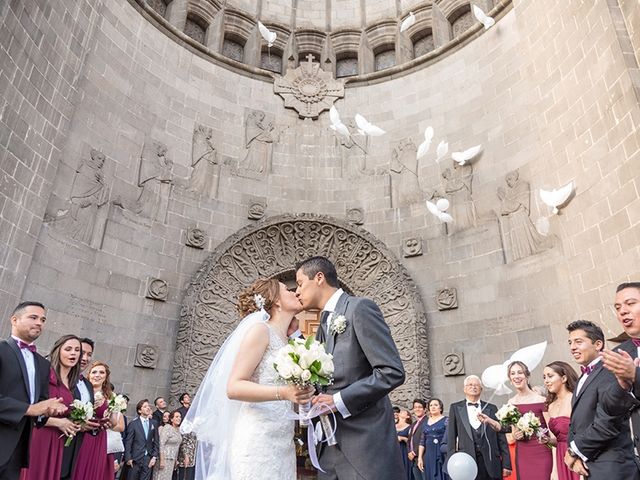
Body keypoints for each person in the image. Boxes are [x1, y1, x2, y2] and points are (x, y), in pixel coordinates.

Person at [181, 278, 314, 479]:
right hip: (257, 438)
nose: (295, 293)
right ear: (276, 301)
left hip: (283, 441)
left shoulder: (290, 341)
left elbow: (289, 394)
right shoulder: (261, 331)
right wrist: (284, 393)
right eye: (288, 289)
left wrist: (301, 396)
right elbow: (234, 387)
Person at [296, 256, 406, 479]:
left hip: (364, 447)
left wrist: (337, 402)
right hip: (328, 449)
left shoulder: (359, 308)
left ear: (319, 278)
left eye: (299, 284)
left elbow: (391, 371)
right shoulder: (320, 328)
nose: (297, 292)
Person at [564, 320, 639, 479]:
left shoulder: (611, 370)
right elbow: (576, 423)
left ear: (598, 344)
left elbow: (607, 422)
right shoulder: (582, 377)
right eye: (570, 342)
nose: (572, 347)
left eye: (578, 342)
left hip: (612, 468)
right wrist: (576, 455)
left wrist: (575, 451)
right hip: (591, 465)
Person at [0, 301, 66, 480]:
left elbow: (40, 407)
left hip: (18, 449)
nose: (39, 323)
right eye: (33, 317)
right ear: (14, 320)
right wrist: (30, 409)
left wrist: (48, 410)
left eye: (43, 320)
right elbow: (33, 408)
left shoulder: (43, 364)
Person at [22, 334, 82, 480]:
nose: (73, 353)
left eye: (77, 350)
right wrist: (59, 422)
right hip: (39, 435)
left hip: (57, 440)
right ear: (58, 351)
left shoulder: (73, 383)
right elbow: (31, 409)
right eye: (68, 349)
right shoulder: (46, 374)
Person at [600, 282, 640, 456]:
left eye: (630, 303)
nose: (622, 311)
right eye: (618, 307)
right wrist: (621, 387)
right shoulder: (618, 355)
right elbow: (607, 407)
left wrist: (635, 375)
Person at [448, 375, 511, 480]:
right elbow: (451, 437)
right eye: (470, 385)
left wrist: (506, 464)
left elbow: (501, 438)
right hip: (466, 463)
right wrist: (451, 464)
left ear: (481, 389)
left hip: (491, 462)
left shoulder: (492, 408)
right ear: (464, 389)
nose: (473, 387)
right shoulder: (455, 408)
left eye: (476, 385)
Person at [72, 361, 124, 480]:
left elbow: (114, 423)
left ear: (106, 376)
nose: (97, 375)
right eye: (94, 372)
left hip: (99, 437)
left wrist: (112, 412)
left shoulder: (111, 397)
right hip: (80, 435)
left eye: (101, 372)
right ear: (89, 374)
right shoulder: (80, 391)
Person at [505, 360, 552, 479]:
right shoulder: (511, 403)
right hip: (522, 453)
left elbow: (552, 431)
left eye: (520, 372)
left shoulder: (542, 400)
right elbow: (513, 433)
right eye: (512, 373)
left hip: (542, 452)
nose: (516, 376)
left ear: (527, 376)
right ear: (510, 379)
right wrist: (516, 435)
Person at [61, 338, 99, 480]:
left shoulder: (88, 385)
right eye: (81, 352)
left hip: (76, 445)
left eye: (89, 354)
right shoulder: (61, 378)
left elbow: (89, 414)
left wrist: (95, 425)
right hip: (57, 439)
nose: (85, 358)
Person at [542, 361, 580, 480]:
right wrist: (548, 440)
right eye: (544, 377)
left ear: (563, 378)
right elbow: (559, 441)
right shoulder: (551, 406)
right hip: (561, 456)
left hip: (577, 455)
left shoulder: (575, 400)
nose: (546, 381)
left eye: (550, 376)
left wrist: (579, 458)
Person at [125, 399, 159, 480]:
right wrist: (128, 458)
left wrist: (154, 457)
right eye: (145, 406)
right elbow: (128, 442)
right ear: (139, 410)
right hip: (135, 458)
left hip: (148, 458)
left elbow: (156, 441)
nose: (148, 408)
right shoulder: (133, 424)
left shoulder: (154, 423)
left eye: (148, 406)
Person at [418, 398, 448, 480]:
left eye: (435, 405)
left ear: (440, 408)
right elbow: (422, 442)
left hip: (442, 453)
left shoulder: (446, 420)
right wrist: (420, 458)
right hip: (429, 455)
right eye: (431, 405)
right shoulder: (425, 422)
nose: (433, 407)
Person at [153, 411, 182, 480]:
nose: (179, 418)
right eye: (177, 417)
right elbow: (161, 443)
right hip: (164, 458)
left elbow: (177, 446)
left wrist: (175, 460)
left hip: (172, 460)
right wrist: (162, 460)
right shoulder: (167, 427)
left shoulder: (178, 430)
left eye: (180, 417)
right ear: (171, 419)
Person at [408, 399, 427, 480]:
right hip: (414, 460)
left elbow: (424, 439)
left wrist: (414, 452)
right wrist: (409, 452)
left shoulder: (427, 421)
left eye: (420, 407)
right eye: (415, 407)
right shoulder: (414, 424)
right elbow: (409, 440)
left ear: (425, 409)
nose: (417, 409)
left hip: (423, 458)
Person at [396, 409, 412, 480]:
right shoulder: (393, 425)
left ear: (408, 416)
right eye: (400, 412)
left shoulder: (410, 427)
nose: (401, 412)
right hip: (393, 451)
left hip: (403, 451)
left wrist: (403, 438)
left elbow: (412, 441)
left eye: (404, 412)